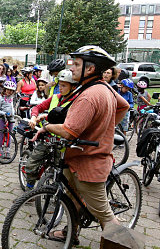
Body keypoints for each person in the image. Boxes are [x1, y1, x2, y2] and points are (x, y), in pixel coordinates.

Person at [32, 45, 129, 242]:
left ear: (91, 69)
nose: (72, 68)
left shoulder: (89, 95)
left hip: (89, 164)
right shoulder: (102, 87)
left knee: (106, 217)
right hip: (77, 157)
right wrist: (104, 127)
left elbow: (68, 131)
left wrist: (48, 126)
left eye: (76, 64)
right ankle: (71, 233)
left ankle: (123, 243)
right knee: (72, 197)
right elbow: (123, 106)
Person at [26, 70, 77, 191]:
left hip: (64, 142)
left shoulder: (77, 102)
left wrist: (45, 117)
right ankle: (29, 188)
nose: (61, 88)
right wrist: (34, 117)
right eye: (60, 85)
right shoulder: (55, 97)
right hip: (48, 137)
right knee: (32, 164)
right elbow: (38, 107)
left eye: (64, 85)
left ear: (73, 87)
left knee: (61, 171)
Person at [0, 80, 16, 158]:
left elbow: (12, 106)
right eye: (8, 90)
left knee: (9, 134)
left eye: (12, 91)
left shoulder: (12, 98)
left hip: (11, 118)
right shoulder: (0, 98)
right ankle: (0, 149)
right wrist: (3, 113)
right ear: (5, 89)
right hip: (3, 118)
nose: (10, 92)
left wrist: (13, 113)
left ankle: (7, 150)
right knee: (2, 134)